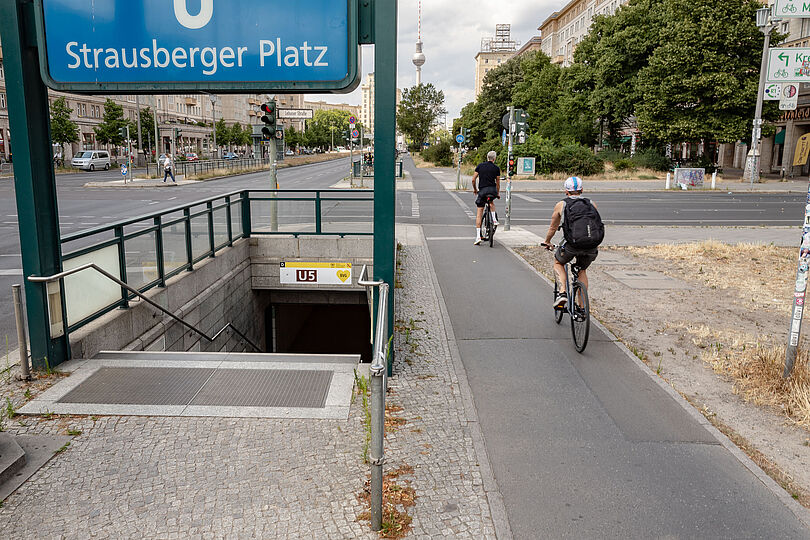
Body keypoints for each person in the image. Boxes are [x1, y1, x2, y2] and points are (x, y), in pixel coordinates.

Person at [542, 176, 601, 308]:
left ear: (566, 191)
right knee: (582, 270)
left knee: (558, 262)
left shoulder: (561, 205)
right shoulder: (591, 203)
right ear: (582, 190)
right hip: (591, 245)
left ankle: (562, 293)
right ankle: (582, 307)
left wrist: (547, 241)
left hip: (572, 245)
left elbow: (553, 227)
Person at [471, 150, 501, 245]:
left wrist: (475, 189)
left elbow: (473, 179)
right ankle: (494, 220)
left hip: (482, 191)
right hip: (492, 190)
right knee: (491, 202)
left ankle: (478, 237)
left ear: (487, 157)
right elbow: (498, 183)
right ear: (494, 158)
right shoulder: (496, 168)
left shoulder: (480, 166)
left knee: (479, 213)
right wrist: (497, 193)